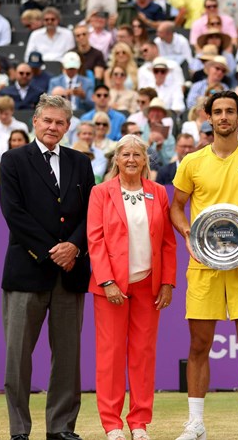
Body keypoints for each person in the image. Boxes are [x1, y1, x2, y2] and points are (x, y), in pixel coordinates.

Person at [170, 90, 238, 440]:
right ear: (209, 117)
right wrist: (188, 234)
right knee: (199, 345)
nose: (224, 117)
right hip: (204, 263)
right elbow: (177, 206)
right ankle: (196, 423)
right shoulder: (192, 163)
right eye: (218, 112)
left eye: (231, 111)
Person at [0, 94, 95, 440]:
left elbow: (91, 213)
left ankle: (61, 428)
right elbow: (14, 214)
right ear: (35, 122)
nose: (53, 127)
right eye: (48, 121)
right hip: (27, 273)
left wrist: (74, 246)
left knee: (68, 359)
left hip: (70, 273)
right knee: (18, 359)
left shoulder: (80, 163)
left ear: (67, 126)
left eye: (60, 122)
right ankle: (19, 430)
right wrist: (52, 250)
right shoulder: (13, 160)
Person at [87, 135, 177, 440]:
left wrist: (167, 282)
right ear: (116, 159)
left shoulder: (158, 193)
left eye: (137, 154)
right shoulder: (100, 193)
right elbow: (95, 240)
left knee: (143, 355)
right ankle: (112, 424)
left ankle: (139, 422)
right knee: (110, 356)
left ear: (145, 160)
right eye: (125, 154)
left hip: (148, 286)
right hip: (112, 288)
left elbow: (167, 241)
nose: (131, 159)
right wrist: (107, 281)